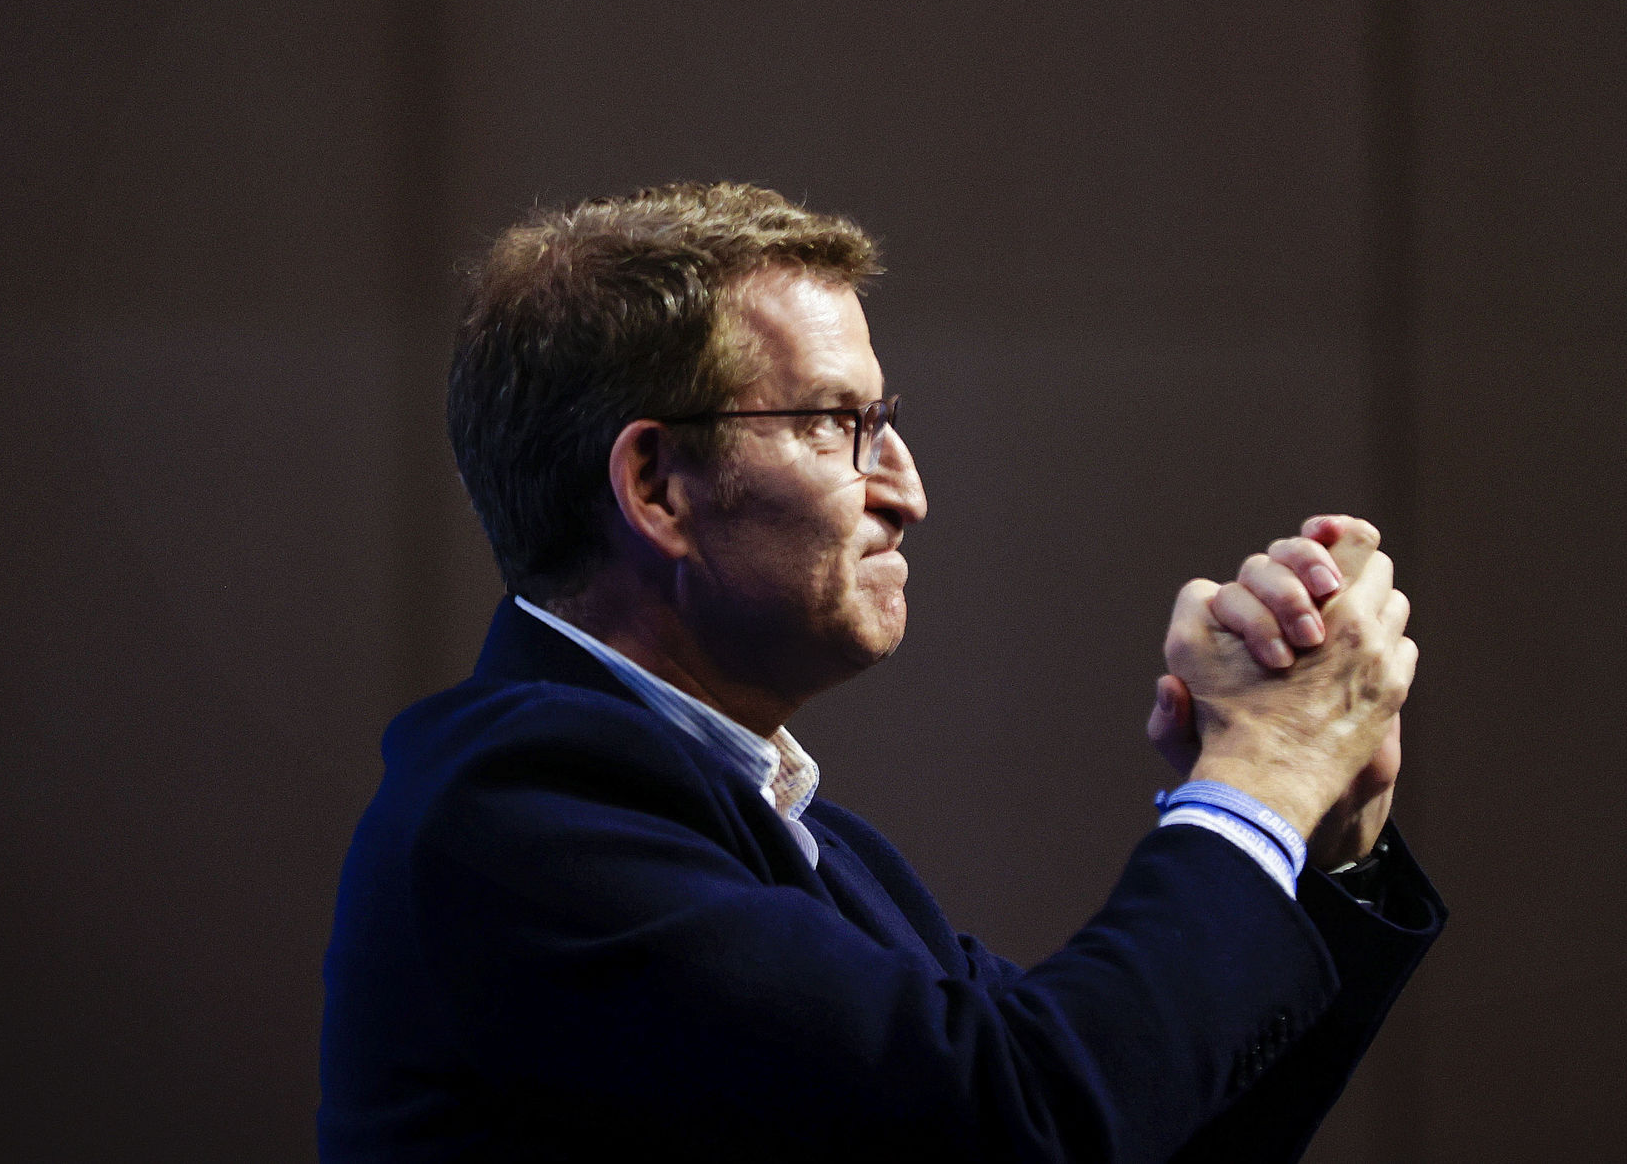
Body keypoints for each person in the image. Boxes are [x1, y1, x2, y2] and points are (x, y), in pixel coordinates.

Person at [318, 182, 1441, 1162]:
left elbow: (1136, 1127)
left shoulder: (832, 857)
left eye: (885, 420)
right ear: (656, 484)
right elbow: (1015, 1121)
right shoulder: (518, 812)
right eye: (838, 423)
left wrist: (1320, 841)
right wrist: (1262, 767)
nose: (907, 490)